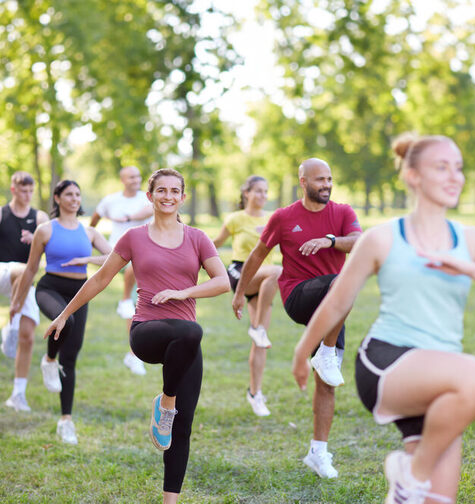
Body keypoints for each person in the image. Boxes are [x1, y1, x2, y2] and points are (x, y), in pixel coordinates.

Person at [293, 134, 475, 504]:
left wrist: (470, 268)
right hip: (386, 363)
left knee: (437, 500)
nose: (455, 176)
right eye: (442, 167)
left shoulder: (471, 239)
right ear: (413, 176)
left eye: (459, 167)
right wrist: (302, 351)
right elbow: (337, 302)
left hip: (439, 378)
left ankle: (411, 480)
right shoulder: (383, 238)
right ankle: (412, 473)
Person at [43, 168, 230, 503]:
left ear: (183, 197)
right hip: (146, 330)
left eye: (175, 191)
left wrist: (182, 293)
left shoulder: (198, 238)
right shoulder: (134, 238)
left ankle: (169, 499)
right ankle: (166, 400)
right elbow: (99, 279)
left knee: (181, 426)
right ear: (150, 196)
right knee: (193, 330)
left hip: (183, 344)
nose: (168, 196)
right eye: (161, 191)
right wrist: (63, 314)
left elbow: (222, 282)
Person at [232, 158, 362, 478]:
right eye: (319, 179)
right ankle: (327, 354)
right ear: (302, 182)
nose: (326, 185)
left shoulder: (343, 213)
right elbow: (256, 256)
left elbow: (360, 242)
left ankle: (319, 453)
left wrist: (330, 241)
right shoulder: (284, 217)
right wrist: (238, 294)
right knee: (340, 284)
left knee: (327, 382)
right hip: (298, 296)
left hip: (333, 306)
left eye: (330, 179)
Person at [10, 180, 111, 444]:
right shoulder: (45, 230)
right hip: (49, 287)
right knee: (66, 321)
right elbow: (31, 269)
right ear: (57, 198)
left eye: (78, 194)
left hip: (80, 291)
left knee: (72, 358)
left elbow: (115, 258)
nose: (75, 198)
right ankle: (49, 360)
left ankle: (66, 420)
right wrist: (17, 302)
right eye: (69, 194)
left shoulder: (89, 232)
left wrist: (88, 259)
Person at [214, 175, 282, 417]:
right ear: (246, 193)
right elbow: (214, 244)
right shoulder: (235, 218)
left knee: (260, 342)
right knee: (276, 271)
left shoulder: (273, 219)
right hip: (241, 272)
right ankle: (257, 328)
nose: (263, 196)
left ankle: (255, 393)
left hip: (265, 283)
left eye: (266, 191)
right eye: (258, 191)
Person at [90, 165, 153, 375]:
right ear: (122, 179)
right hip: (116, 254)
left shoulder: (147, 198)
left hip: (141, 257)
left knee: (137, 307)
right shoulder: (111, 200)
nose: (136, 179)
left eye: (138, 176)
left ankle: (133, 354)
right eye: (132, 177)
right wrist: (88, 238)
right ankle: (126, 299)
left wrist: (128, 218)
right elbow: (96, 217)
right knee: (134, 298)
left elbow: (149, 209)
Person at [0, 171, 49, 412]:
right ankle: (12, 321)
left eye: (31, 190)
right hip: (3, 272)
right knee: (21, 269)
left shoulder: (39, 216)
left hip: (25, 280)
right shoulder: (2, 214)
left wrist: (36, 238)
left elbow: (50, 243)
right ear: (13, 190)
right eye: (23, 190)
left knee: (28, 337)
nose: (27, 195)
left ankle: (18, 395)